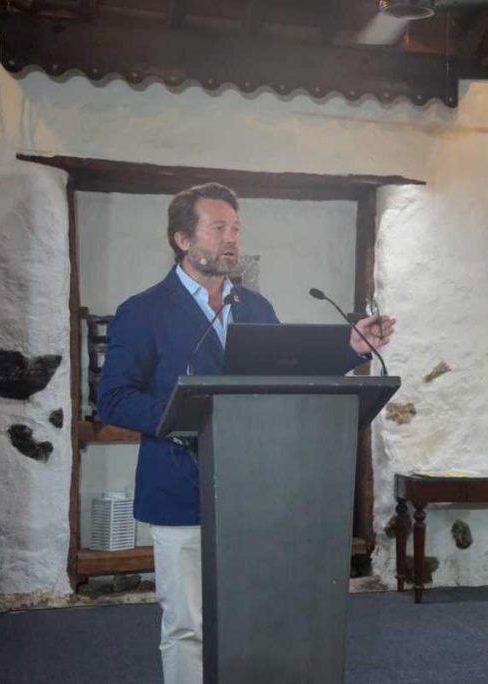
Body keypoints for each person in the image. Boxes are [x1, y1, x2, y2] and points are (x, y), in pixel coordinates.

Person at [97, 182, 394, 684]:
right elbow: (113, 399)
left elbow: (288, 375)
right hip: (180, 489)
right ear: (183, 240)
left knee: (255, 618)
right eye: (218, 228)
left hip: (255, 494)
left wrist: (351, 348)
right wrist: (185, 414)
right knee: (189, 624)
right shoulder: (142, 311)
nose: (231, 238)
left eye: (235, 228)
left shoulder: (254, 307)